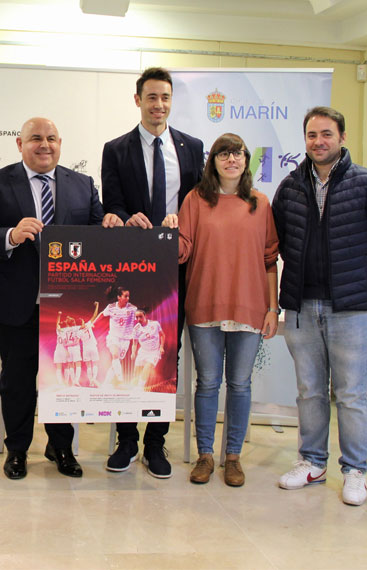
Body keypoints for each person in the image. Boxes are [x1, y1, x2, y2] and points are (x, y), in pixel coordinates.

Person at [0, 116, 121, 480]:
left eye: (51, 138)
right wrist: (10, 235)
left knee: (65, 377)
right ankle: (17, 450)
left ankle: (61, 447)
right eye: (35, 138)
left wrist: (110, 227)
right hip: (13, 302)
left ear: (60, 143)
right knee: (18, 380)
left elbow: (98, 232)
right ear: (19, 144)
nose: (44, 145)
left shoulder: (82, 184)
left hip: (67, 309)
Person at [273, 107, 367, 506]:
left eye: (326, 134)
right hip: (301, 304)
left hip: (352, 309)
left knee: (349, 394)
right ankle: (312, 462)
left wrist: (363, 278)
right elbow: (277, 238)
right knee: (309, 391)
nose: (318, 142)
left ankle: (355, 470)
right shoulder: (290, 187)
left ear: (342, 137)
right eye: (312, 135)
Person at [100, 66, 204, 477]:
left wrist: (182, 219)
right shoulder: (116, 148)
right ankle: (126, 440)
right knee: (125, 349)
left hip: (176, 268)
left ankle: (156, 443)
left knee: (165, 354)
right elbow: (111, 204)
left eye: (165, 97)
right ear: (138, 100)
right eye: (151, 97)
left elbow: (200, 202)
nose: (158, 105)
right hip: (132, 267)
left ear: (171, 101)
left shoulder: (192, 147)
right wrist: (127, 218)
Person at [161, 133, 279, 487]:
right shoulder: (196, 200)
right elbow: (181, 252)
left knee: (240, 385)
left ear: (246, 160)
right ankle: (206, 455)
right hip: (205, 304)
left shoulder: (260, 203)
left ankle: (233, 457)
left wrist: (272, 308)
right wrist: (169, 233)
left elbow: (270, 259)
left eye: (238, 153)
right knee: (208, 384)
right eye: (224, 153)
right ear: (212, 161)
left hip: (250, 306)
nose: (232, 159)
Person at [94, 286, 139, 390]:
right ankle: (120, 380)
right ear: (119, 297)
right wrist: (93, 323)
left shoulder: (132, 308)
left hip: (126, 339)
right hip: (113, 337)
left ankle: (105, 384)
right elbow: (101, 314)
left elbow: (139, 320)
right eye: (125, 296)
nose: (128, 298)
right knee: (115, 355)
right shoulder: (111, 307)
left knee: (116, 362)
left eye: (128, 296)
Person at [130, 310, 165, 390]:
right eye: (137, 317)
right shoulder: (136, 329)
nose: (138, 319)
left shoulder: (155, 324)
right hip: (143, 352)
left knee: (147, 367)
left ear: (145, 316)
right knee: (136, 373)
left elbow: (162, 335)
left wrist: (161, 346)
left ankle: (140, 388)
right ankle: (133, 389)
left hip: (154, 352)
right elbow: (134, 343)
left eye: (140, 316)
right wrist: (133, 353)